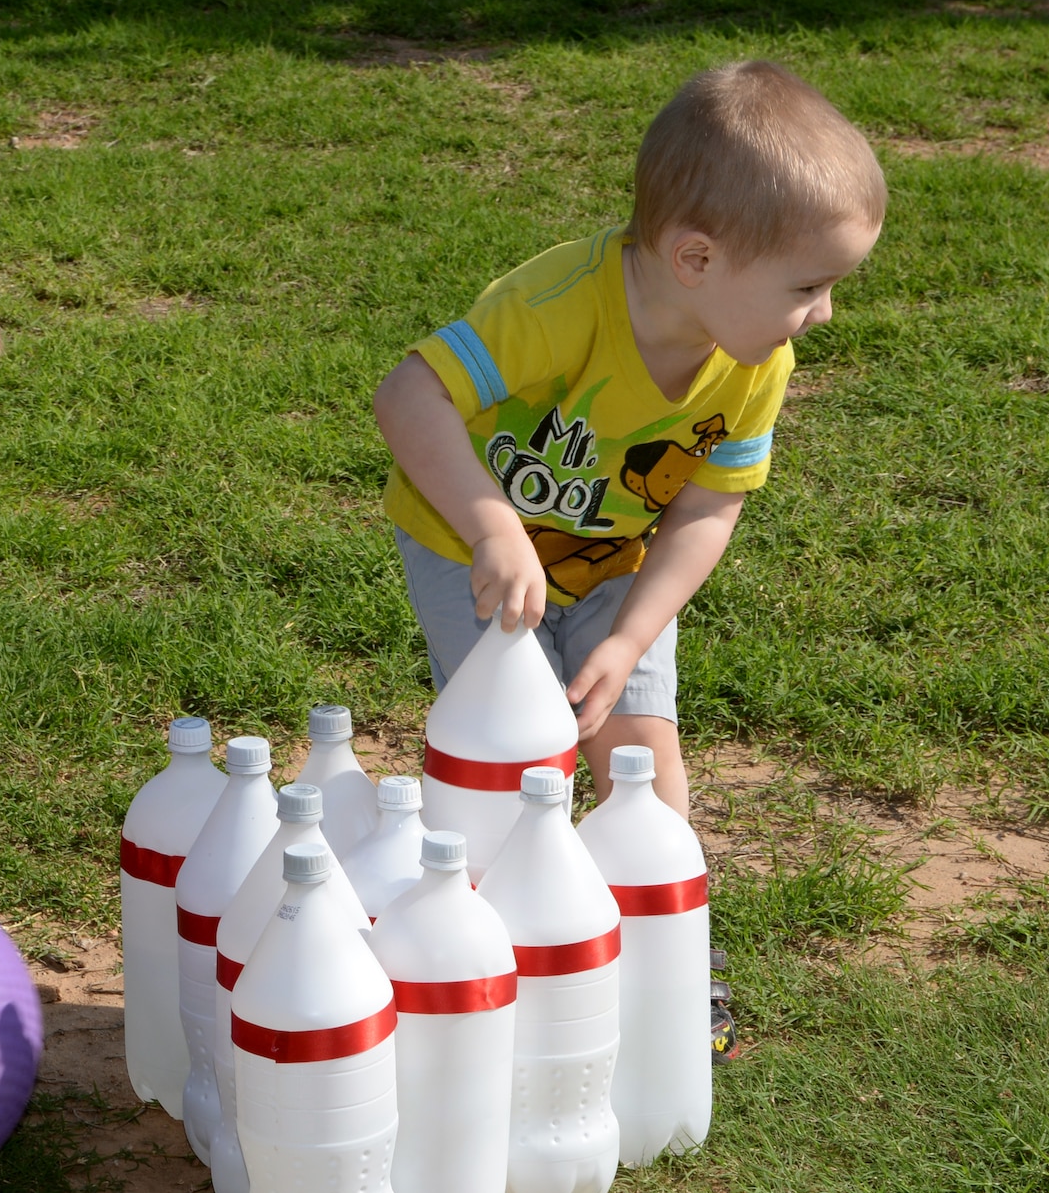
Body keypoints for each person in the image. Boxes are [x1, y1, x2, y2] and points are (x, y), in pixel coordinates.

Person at [374, 59, 884, 820]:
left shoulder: (758, 364)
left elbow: (709, 510)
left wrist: (629, 642)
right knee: (516, 741)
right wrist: (493, 530)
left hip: (612, 562)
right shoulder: (556, 307)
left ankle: (661, 927)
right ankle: (494, 920)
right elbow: (409, 396)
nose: (826, 312)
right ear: (696, 260)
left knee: (641, 751)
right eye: (807, 287)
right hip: (469, 544)